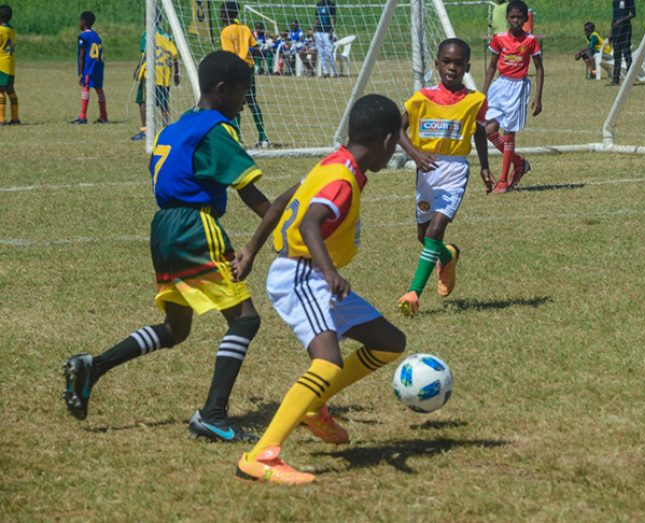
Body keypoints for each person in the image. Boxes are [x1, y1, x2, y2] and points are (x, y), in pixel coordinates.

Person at [61, 51, 294, 443]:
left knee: (175, 329)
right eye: (242, 93)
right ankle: (213, 414)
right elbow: (249, 192)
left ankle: (94, 366)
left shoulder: (176, 127)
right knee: (245, 319)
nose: (244, 101)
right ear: (222, 90)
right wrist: (283, 228)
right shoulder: (217, 129)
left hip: (164, 227)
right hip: (194, 226)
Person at [234, 94, 405, 486]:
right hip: (302, 274)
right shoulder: (343, 179)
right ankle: (261, 456)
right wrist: (329, 273)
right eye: (395, 143)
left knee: (388, 342)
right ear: (384, 141)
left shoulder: (336, 162)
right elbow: (311, 223)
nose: (395, 151)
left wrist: (250, 250)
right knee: (325, 362)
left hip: (311, 273)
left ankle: (315, 406)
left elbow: (281, 201)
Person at [397, 39, 492, 316]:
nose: (452, 67)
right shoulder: (422, 98)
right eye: (447, 62)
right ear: (437, 64)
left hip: (455, 171)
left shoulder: (475, 101)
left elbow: (479, 132)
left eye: (459, 63)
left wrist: (485, 166)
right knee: (424, 236)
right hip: (426, 171)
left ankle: (413, 292)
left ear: (467, 67)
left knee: (435, 230)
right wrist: (415, 155)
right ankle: (447, 256)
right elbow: (397, 128)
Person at [483, 0, 543, 194]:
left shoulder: (530, 40)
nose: (516, 21)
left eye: (519, 17)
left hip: (518, 88)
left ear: (525, 19)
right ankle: (519, 163)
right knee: (489, 129)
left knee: (509, 133)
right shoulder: (499, 39)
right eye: (512, 17)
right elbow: (492, 65)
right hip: (500, 86)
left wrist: (538, 97)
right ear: (507, 18)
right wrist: (484, 92)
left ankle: (502, 181)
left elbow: (539, 68)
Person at [220, 1, 271, 147]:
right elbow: (255, 48)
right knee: (252, 102)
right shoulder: (245, 28)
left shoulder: (225, 32)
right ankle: (263, 138)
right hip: (248, 68)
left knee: (234, 103)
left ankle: (238, 139)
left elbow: (228, 55)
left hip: (235, 69)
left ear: (223, 15)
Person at [131, 19, 180, 141]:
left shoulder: (147, 34)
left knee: (142, 101)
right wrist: (176, 73)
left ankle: (145, 131)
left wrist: (137, 69)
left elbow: (146, 55)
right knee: (164, 104)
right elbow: (175, 55)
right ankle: (166, 130)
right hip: (164, 73)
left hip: (150, 73)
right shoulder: (166, 35)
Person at [73, 11, 107, 124]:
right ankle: (103, 116)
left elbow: (82, 56)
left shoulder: (83, 36)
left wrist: (81, 72)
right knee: (99, 90)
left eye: (80, 21)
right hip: (98, 66)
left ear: (83, 22)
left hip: (89, 68)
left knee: (85, 88)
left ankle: (82, 116)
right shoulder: (96, 35)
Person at [0, 4, 19, 125]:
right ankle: (15, 118)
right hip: (10, 64)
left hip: (1, 64)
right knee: (10, 90)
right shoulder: (12, 30)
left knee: (0, 90)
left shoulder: (1, 30)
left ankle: (1, 119)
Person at [610, 0, 635, 85]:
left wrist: (621, 21)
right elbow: (614, 16)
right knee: (616, 55)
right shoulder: (615, 1)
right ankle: (615, 79)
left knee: (626, 54)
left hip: (625, 30)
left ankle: (629, 79)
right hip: (615, 30)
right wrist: (611, 33)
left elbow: (633, 13)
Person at [314, 0, 337, 77]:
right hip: (319, 32)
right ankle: (326, 72)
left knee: (329, 53)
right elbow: (316, 18)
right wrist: (315, 29)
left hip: (327, 32)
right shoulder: (318, 5)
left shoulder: (332, 5)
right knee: (321, 53)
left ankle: (334, 72)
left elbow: (334, 19)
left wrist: (331, 31)